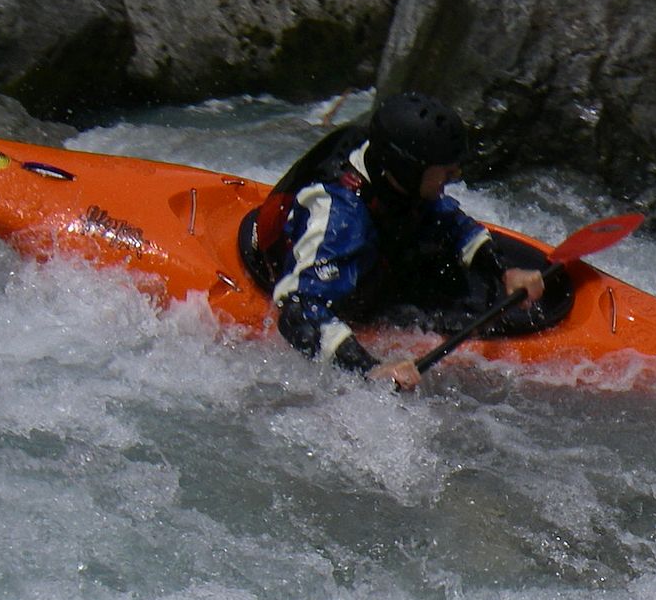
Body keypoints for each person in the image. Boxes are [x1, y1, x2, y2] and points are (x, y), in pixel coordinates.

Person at [240, 92, 571, 389]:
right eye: (446, 171)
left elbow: (445, 219)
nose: (455, 177)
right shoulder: (340, 218)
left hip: (372, 252)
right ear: (409, 169)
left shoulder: (388, 165)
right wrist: (370, 369)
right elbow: (298, 312)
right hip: (324, 274)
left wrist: (504, 270)